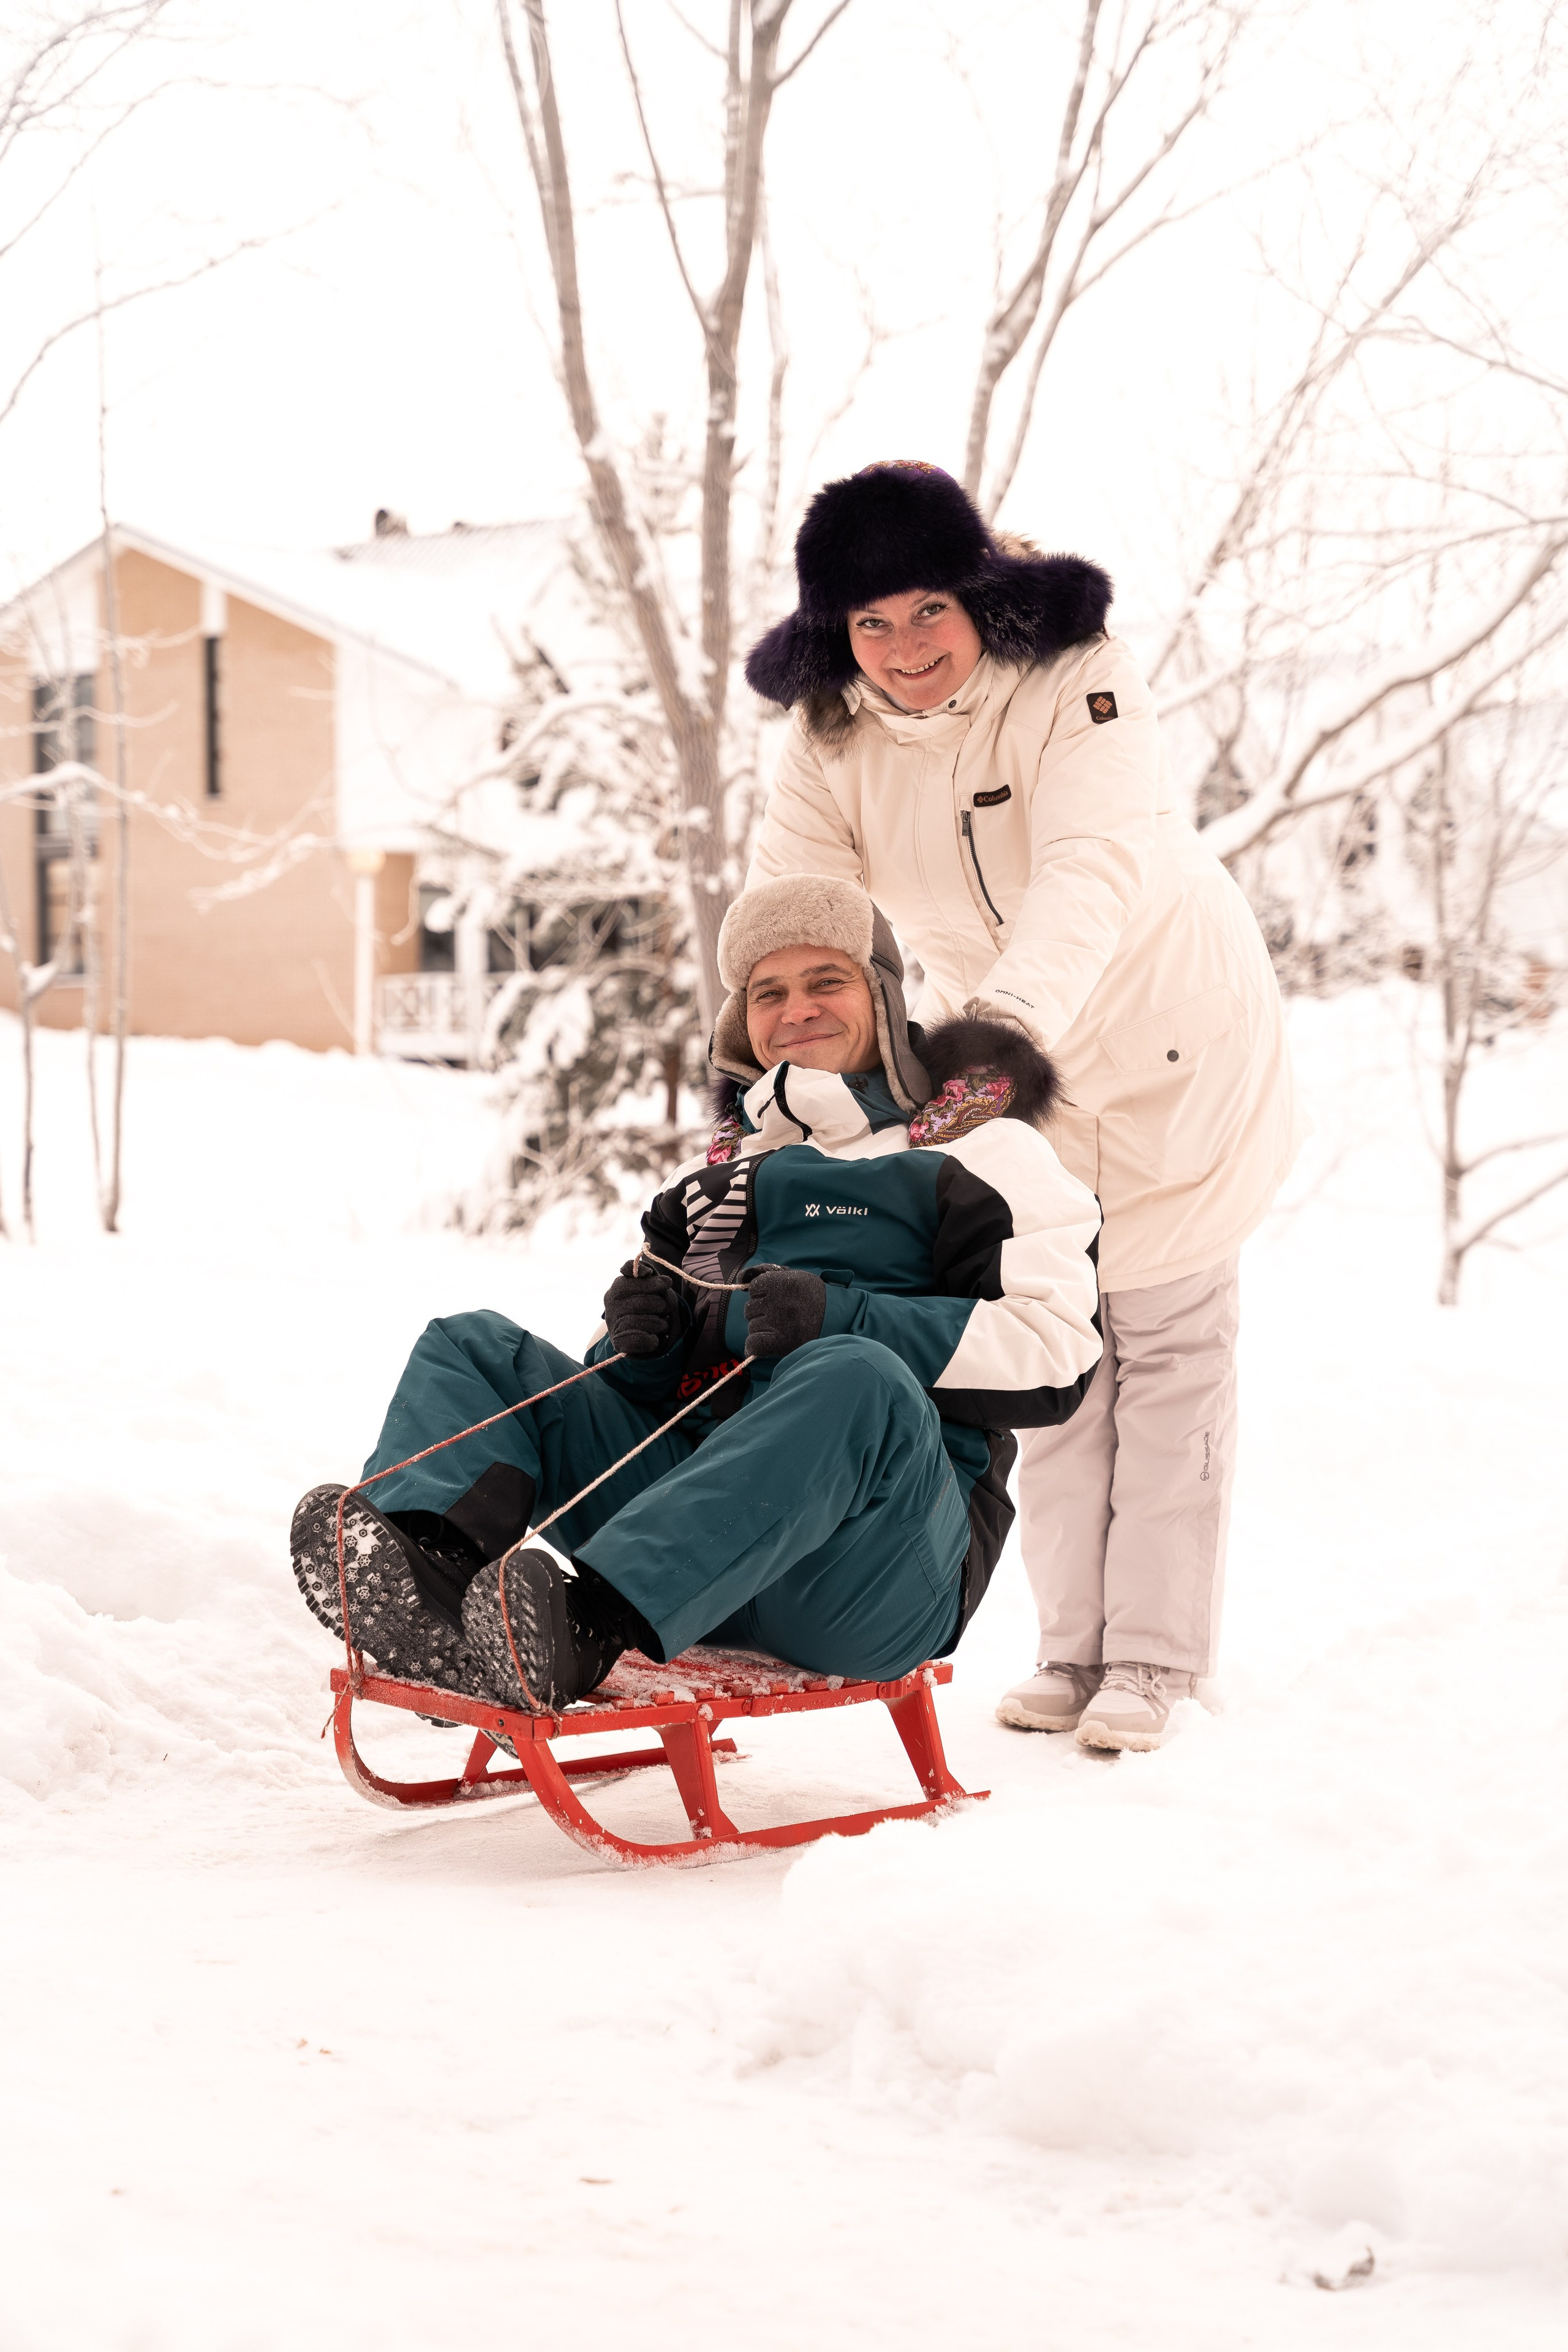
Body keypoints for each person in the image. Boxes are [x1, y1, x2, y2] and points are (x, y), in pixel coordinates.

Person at [744, 459, 1306, 1752]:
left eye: (923, 612)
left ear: (974, 596)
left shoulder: (1073, 679)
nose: (900, 651)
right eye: (867, 625)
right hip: (998, 1065)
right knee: (1054, 1354)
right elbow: (797, 914)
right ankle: (1068, 1651)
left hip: (1170, 1049)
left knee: (1163, 1354)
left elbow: (1088, 871)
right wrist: (782, 1062)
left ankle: (1155, 1663)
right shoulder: (824, 737)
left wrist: (992, 1037)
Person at [290, 876, 1102, 1714]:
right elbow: (642, 1396)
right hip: (695, 1560)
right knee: (473, 1349)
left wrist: (845, 1316)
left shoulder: (985, 1156)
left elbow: (1058, 1354)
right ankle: (429, 1588)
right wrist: (643, 1347)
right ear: (741, 1019)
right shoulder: (720, 1184)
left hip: (866, 1574)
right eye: (769, 992)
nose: (799, 1009)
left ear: (886, 997)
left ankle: (584, 1628)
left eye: (828, 980)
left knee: (853, 1373)